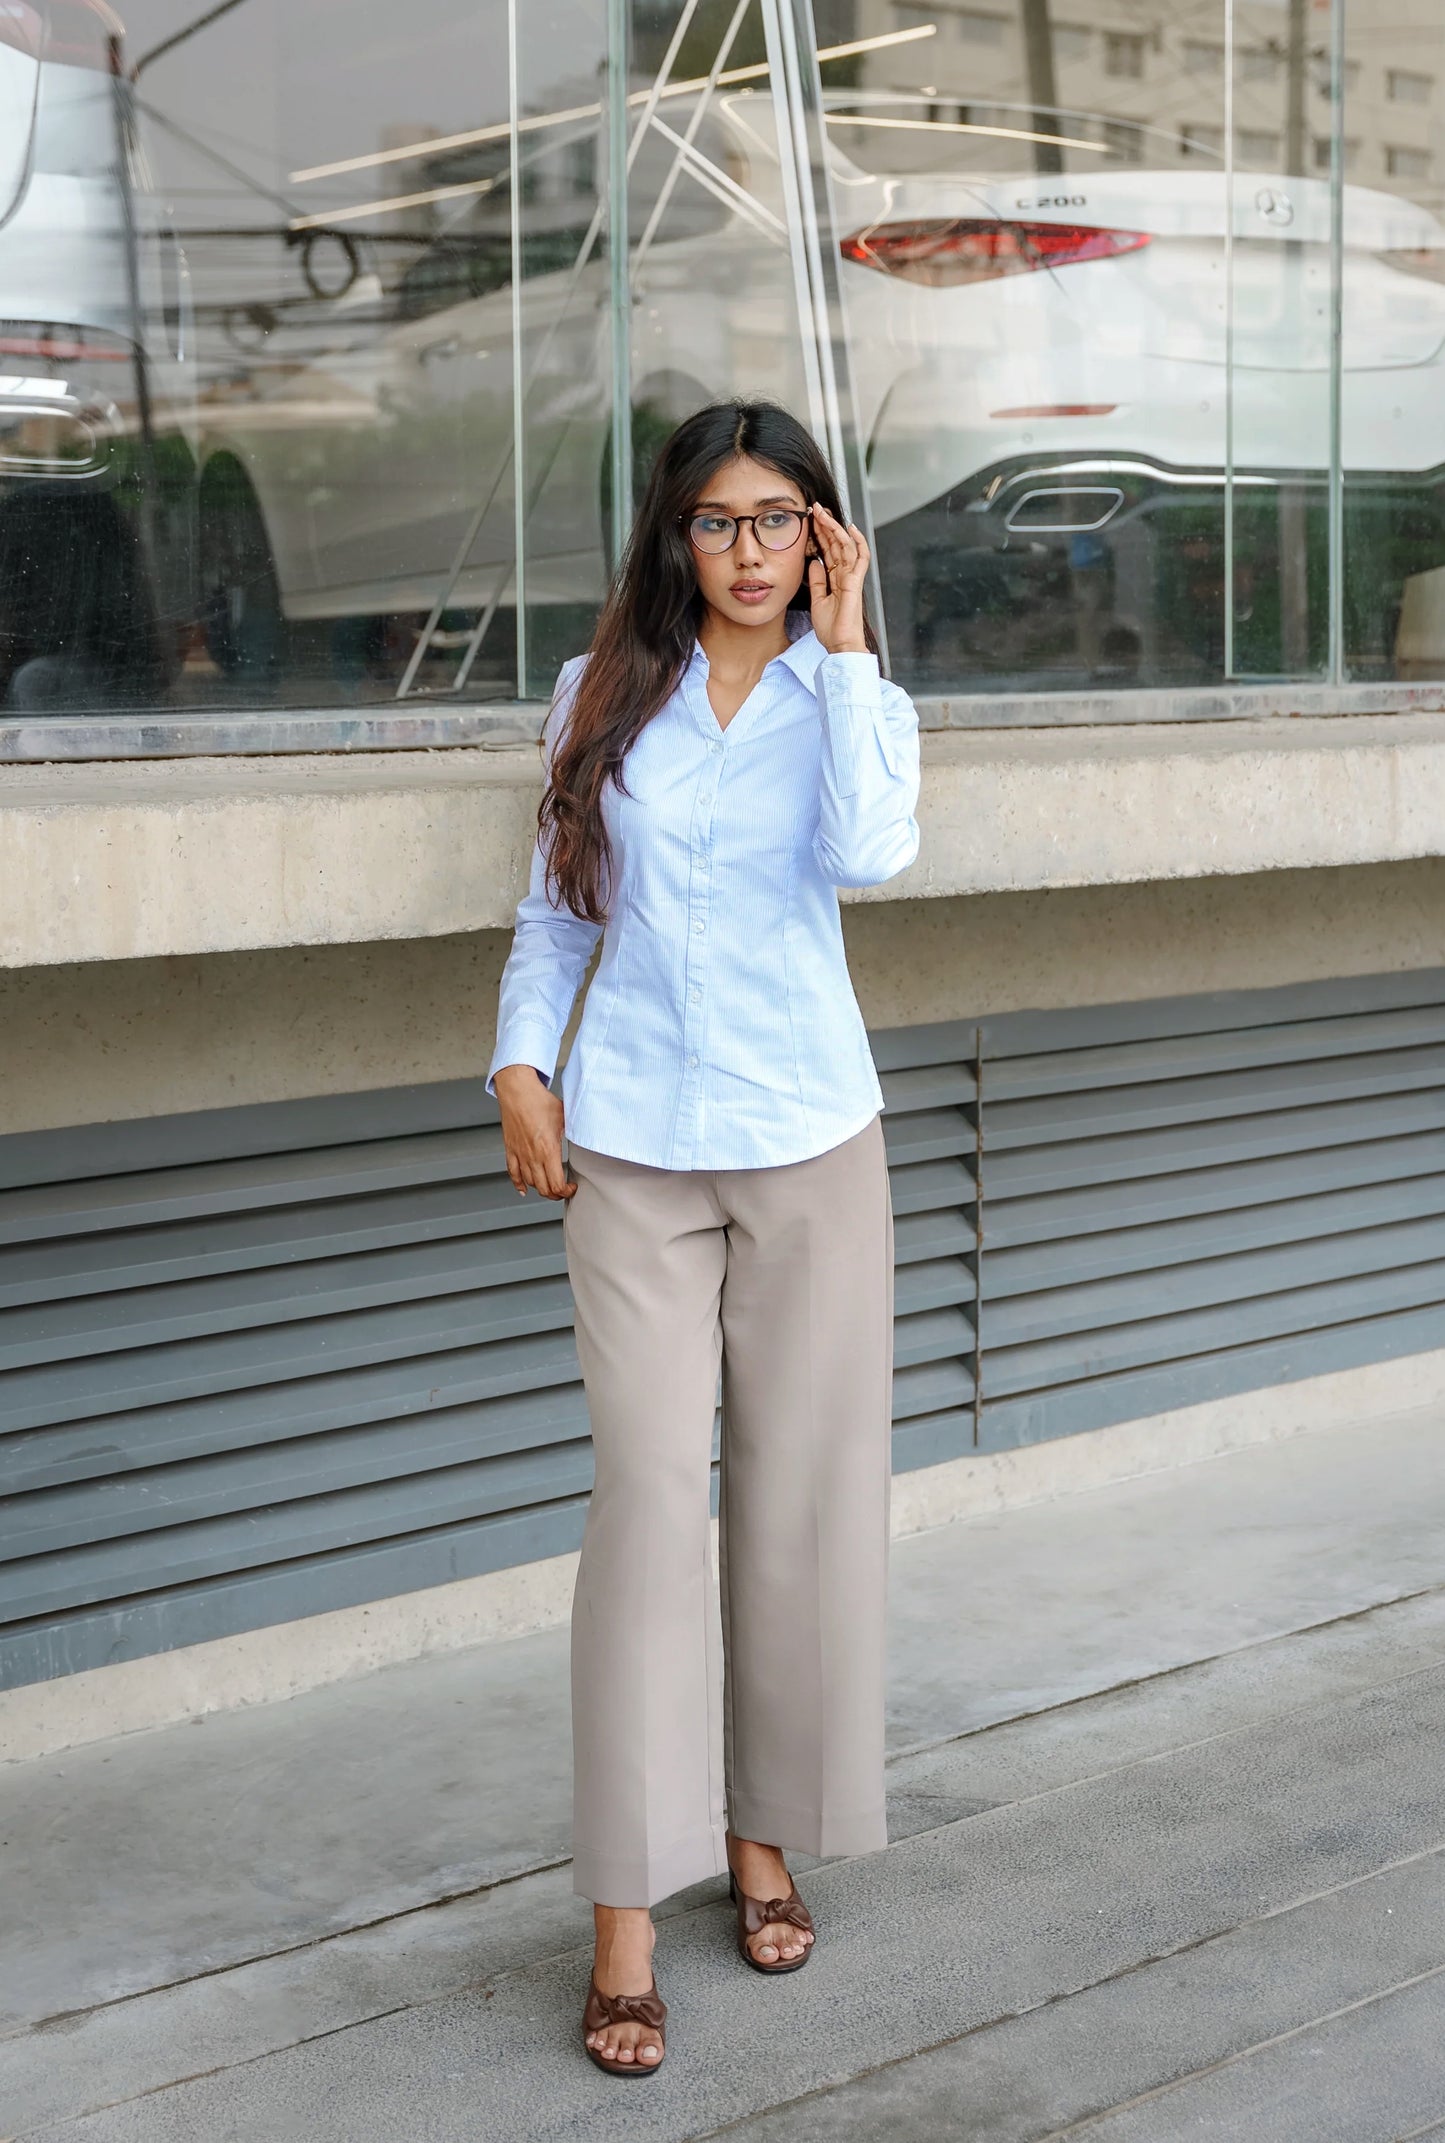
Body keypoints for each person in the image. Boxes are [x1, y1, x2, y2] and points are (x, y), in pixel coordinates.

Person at [488, 398, 921, 2077]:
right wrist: (521, 1060)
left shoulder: (850, 699)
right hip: (635, 1149)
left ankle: (762, 1836)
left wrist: (848, 649)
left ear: (823, 531)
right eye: (717, 522)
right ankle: (620, 1908)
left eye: (778, 519)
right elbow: (554, 907)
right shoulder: (601, 700)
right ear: (675, 536)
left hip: (813, 1139)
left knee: (803, 1514)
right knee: (651, 1507)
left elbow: (872, 858)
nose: (747, 551)